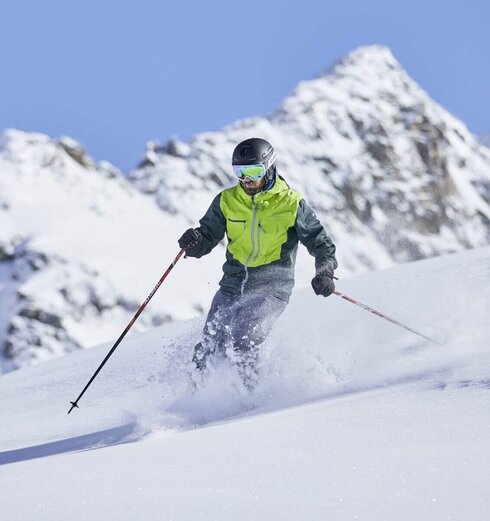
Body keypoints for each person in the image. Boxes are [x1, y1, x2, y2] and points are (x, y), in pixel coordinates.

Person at [178, 138, 338, 387]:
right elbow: (207, 236)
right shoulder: (227, 201)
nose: (246, 179)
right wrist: (194, 242)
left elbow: (321, 243)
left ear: (269, 168)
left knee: (244, 338)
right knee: (209, 346)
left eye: (254, 171)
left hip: (271, 288)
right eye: (239, 172)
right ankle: (196, 404)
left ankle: (252, 399)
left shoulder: (291, 203)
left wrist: (325, 272)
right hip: (232, 285)